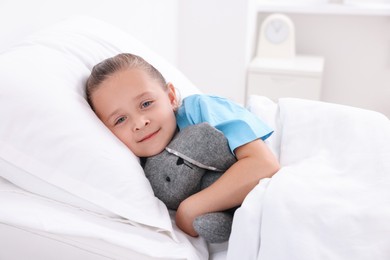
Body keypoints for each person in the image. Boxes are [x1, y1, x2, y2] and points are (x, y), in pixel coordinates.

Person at [85, 53, 280, 237]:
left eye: (146, 104)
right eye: (120, 120)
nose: (139, 123)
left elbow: (264, 164)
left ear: (171, 97)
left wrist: (189, 210)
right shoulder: (136, 168)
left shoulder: (199, 109)